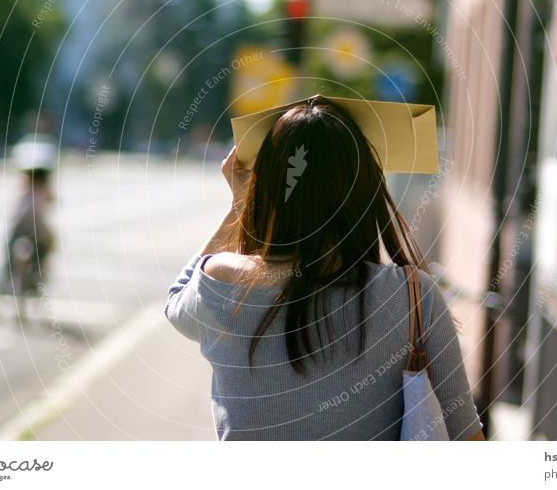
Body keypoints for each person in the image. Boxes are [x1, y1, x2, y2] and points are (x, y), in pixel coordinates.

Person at [166, 96, 485, 441]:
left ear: (270, 188)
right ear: (364, 190)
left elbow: (176, 303)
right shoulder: (412, 295)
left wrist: (239, 204)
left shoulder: (222, 281)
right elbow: (466, 434)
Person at [0, 134, 57, 322]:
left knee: (9, 261)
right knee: (40, 254)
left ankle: (3, 293)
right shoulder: (41, 186)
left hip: (23, 228)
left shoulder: (25, 182)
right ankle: (35, 280)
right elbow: (50, 203)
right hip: (34, 229)